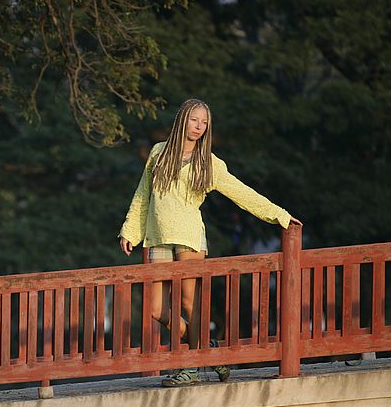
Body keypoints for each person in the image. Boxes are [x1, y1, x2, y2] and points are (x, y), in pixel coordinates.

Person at [118, 98, 303, 386]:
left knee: (190, 304)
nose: (199, 127)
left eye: (204, 123)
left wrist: (279, 215)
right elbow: (144, 195)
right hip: (157, 237)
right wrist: (130, 231)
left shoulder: (210, 163)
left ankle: (191, 366)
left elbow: (242, 193)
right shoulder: (159, 152)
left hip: (190, 238)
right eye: (195, 120)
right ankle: (210, 351)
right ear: (183, 119)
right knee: (156, 309)